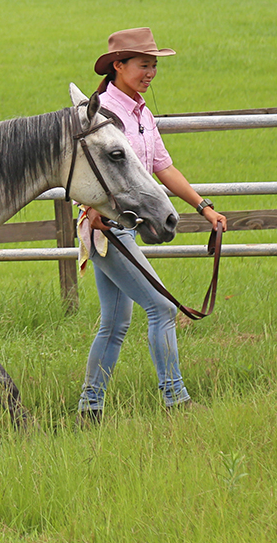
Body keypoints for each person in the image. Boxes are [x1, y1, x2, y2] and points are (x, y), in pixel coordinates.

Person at [78, 27, 226, 425]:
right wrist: (94, 209)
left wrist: (203, 206)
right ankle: (175, 399)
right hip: (109, 227)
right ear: (119, 66)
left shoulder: (141, 111)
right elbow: (89, 171)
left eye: (154, 65)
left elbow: (162, 166)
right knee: (161, 307)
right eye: (144, 65)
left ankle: (90, 409)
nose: (150, 72)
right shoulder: (103, 113)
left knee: (114, 323)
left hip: (122, 226)